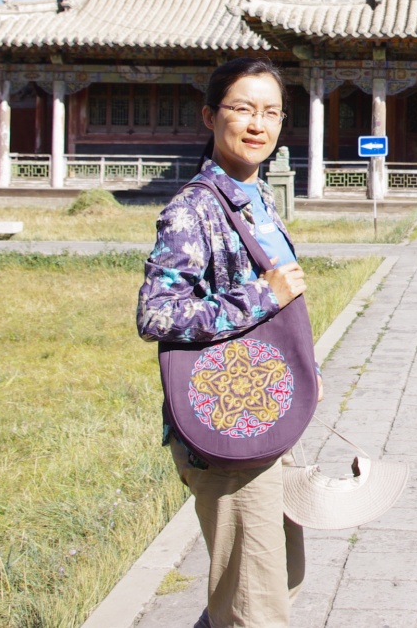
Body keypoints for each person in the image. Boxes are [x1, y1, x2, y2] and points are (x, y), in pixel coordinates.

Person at [136, 57, 309, 628]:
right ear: (211, 116)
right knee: (255, 606)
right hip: (227, 422)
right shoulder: (193, 209)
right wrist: (260, 296)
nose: (258, 124)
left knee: (280, 577)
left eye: (271, 112)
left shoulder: (257, 199)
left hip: (267, 409)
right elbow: (156, 313)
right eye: (243, 109)